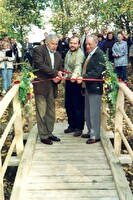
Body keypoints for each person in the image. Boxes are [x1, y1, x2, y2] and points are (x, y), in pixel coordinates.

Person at [32, 34, 63, 145]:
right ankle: (43, 135)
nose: (55, 46)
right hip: (41, 85)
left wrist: (58, 79)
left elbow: (60, 69)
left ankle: (49, 133)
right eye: (53, 44)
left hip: (52, 86)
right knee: (41, 111)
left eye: (56, 44)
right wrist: (55, 73)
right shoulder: (38, 50)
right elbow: (41, 65)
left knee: (51, 111)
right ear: (47, 42)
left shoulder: (58, 55)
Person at [77, 35, 106, 144]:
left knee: (94, 112)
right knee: (88, 111)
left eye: (89, 44)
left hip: (95, 86)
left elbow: (96, 72)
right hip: (88, 86)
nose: (87, 46)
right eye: (86, 44)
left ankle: (95, 135)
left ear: (96, 43)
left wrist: (83, 76)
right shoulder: (89, 54)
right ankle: (90, 131)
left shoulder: (100, 55)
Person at [64, 36, 85, 137]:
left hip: (76, 82)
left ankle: (79, 127)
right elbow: (66, 66)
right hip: (68, 81)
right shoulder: (68, 52)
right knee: (68, 104)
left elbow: (78, 66)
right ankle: (71, 125)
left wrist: (74, 75)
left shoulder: (80, 54)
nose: (72, 45)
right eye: (71, 43)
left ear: (79, 44)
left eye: (74, 43)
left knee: (77, 106)